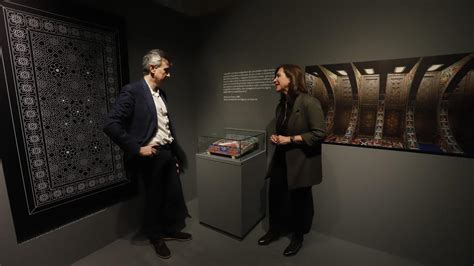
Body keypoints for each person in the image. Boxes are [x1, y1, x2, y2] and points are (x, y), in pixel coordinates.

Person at [103, 49, 190, 259]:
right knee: (154, 197)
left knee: (172, 194)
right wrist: (137, 148)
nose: (168, 75)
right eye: (165, 70)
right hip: (151, 155)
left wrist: (175, 154)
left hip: (167, 153)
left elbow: (165, 127)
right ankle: (155, 236)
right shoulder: (132, 91)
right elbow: (110, 124)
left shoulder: (162, 93)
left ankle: (169, 229)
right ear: (152, 68)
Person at [258, 64, 326, 256]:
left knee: (300, 201)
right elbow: (283, 131)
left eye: (278, 75)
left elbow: (319, 133)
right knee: (276, 195)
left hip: (301, 162)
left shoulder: (309, 102)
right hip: (282, 158)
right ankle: (274, 230)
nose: (274, 80)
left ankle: (298, 237)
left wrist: (290, 139)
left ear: (291, 78)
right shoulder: (281, 105)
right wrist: (277, 138)